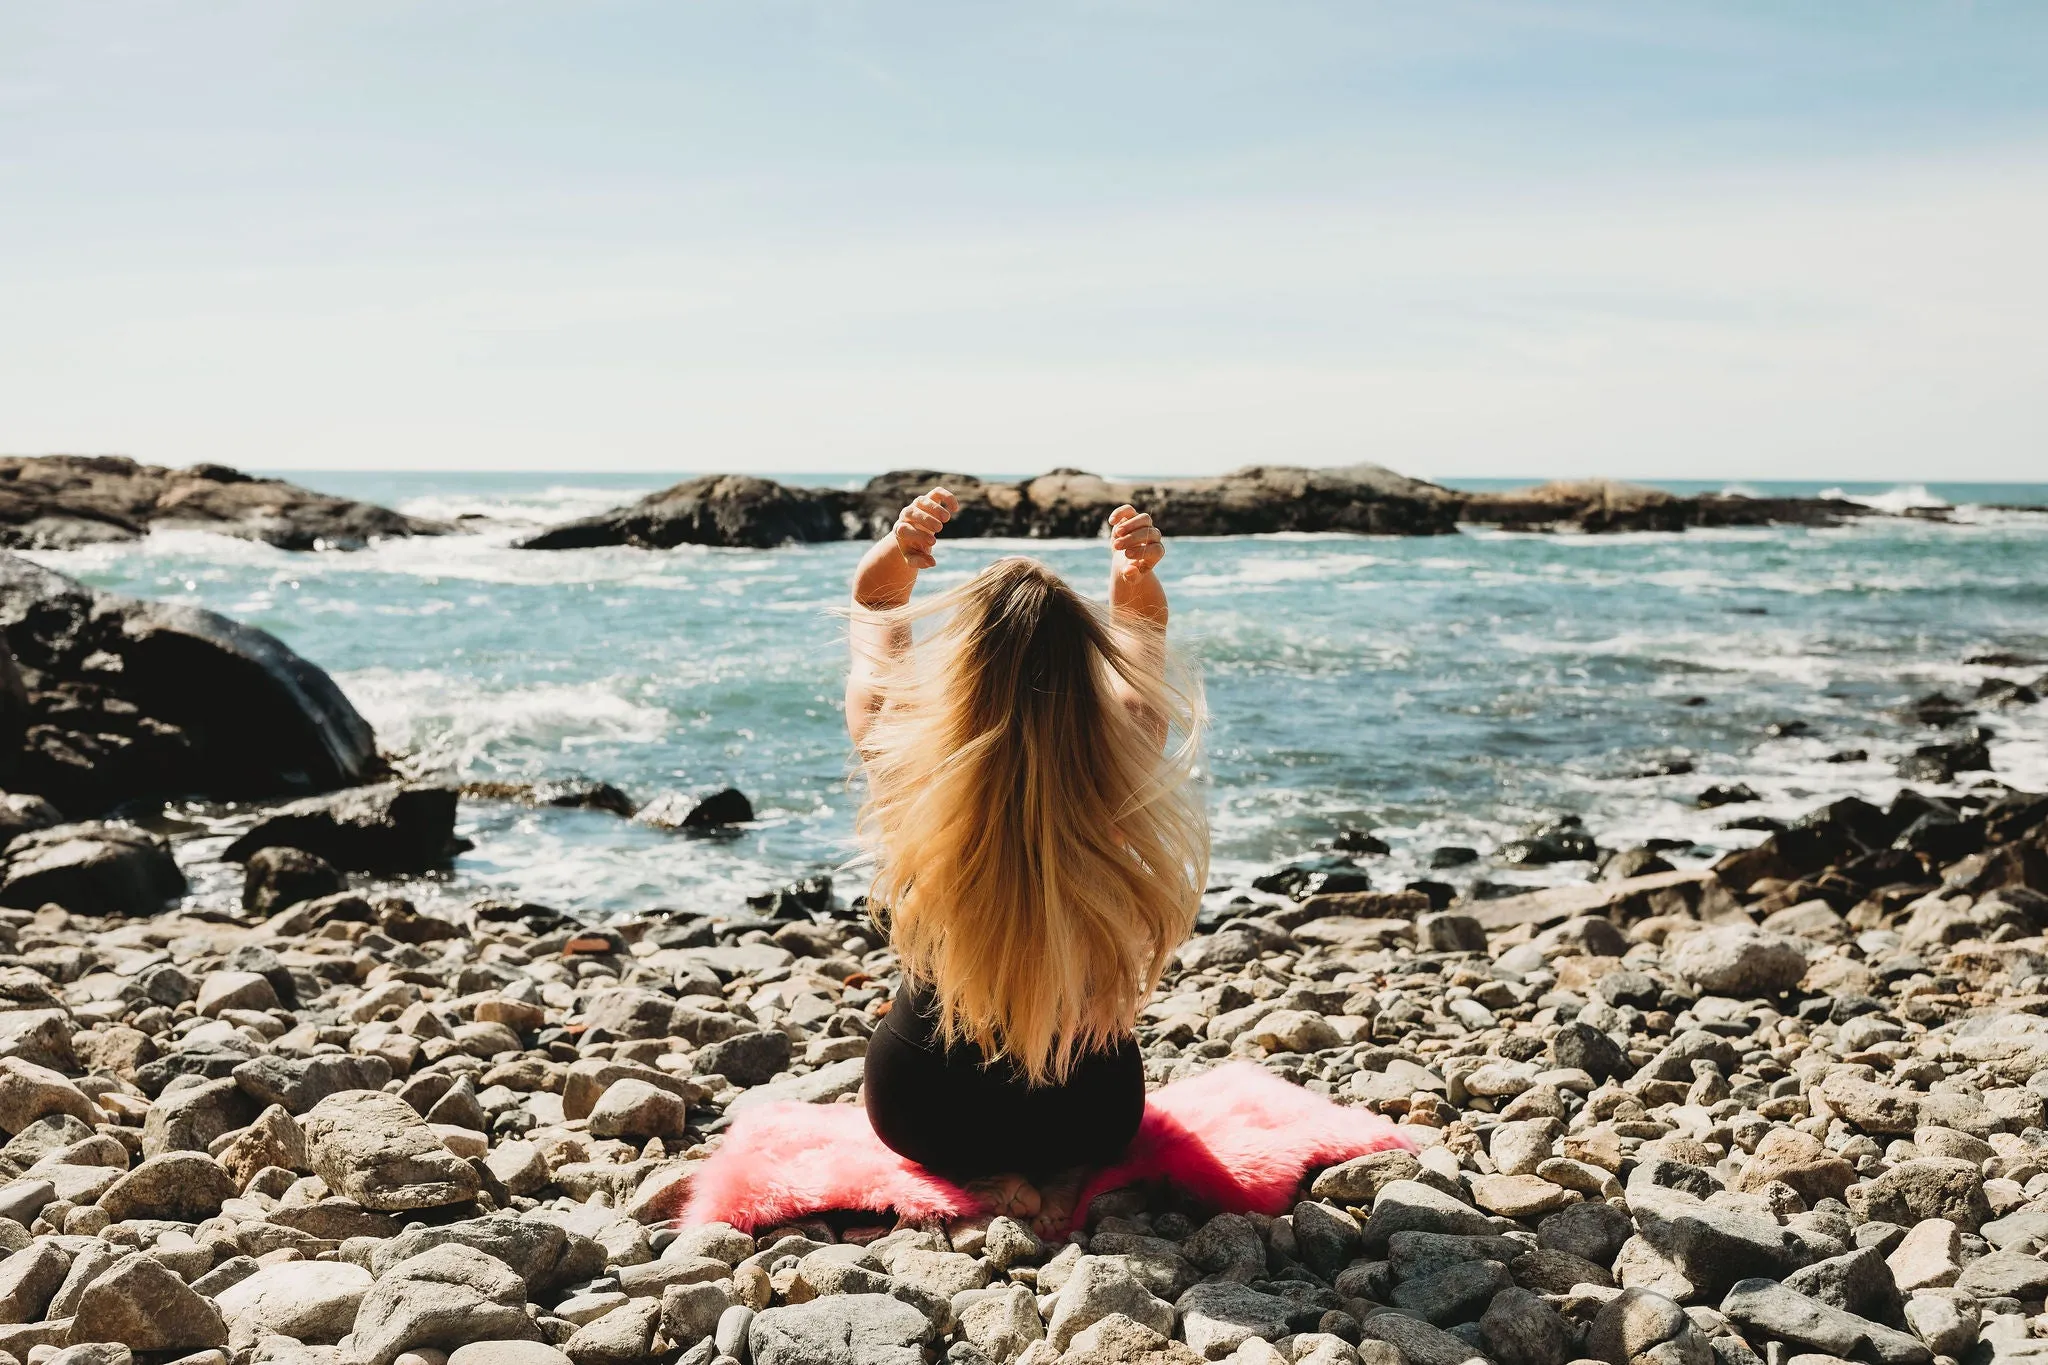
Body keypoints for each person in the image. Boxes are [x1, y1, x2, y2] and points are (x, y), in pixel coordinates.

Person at [845, 486, 1209, 1236]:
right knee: (1081, 1101)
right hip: (1089, 1113)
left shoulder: (909, 761)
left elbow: (875, 623)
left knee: (930, 1066)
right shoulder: (1119, 766)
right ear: (1085, 677)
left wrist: (898, 554)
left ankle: (985, 1180)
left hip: (923, 1109)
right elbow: (1143, 640)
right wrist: (1130, 580)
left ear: (962, 671)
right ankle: (1063, 1176)